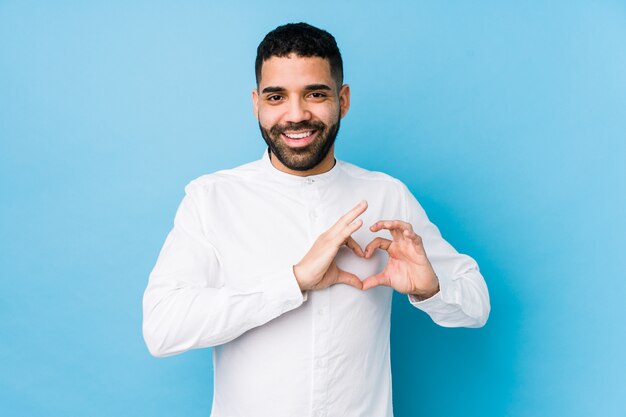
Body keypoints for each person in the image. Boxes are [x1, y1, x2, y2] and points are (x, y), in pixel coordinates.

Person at [143, 22, 490, 417]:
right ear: (256, 103)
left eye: (315, 94)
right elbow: (162, 328)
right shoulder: (211, 199)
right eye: (277, 97)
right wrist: (293, 281)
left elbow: (476, 305)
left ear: (342, 100)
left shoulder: (387, 196)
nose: (296, 115)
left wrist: (431, 289)